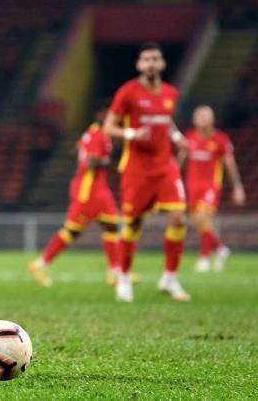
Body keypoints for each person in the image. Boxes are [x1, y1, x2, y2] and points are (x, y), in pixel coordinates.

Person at [103, 42, 190, 303]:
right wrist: (132, 133)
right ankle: (125, 277)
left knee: (179, 219)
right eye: (146, 60)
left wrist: (177, 137)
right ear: (139, 65)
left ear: (162, 64)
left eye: (155, 59)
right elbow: (109, 127)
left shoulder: (171, 93)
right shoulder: (128, 92)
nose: (151, 63)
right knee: (133, 224)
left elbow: (166, 120)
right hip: (136, 169)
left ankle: (170, 277)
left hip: (165, 166)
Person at [28, 109, 122, 287]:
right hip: (89, 191)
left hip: (98, 188)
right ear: (104, 118)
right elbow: (93, 161)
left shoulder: (92, 134)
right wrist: (109, 160)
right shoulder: (97, 135)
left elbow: (77, 151)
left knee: (111, 226)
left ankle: (115, 272)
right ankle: (39, 264)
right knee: (73, 231)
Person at [182, 105, 245, 272]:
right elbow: (180, 162)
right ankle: (220, 249)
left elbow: (230, 164)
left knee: (203, 217)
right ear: (194, 119)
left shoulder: (220, 139)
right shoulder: (189, 137)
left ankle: (204, 258)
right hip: (192, 185)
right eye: (199, 115)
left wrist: (237, 187)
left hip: (211, 185)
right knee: (200, 223)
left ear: (212, 119)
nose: (202, 119)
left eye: (205, 116)